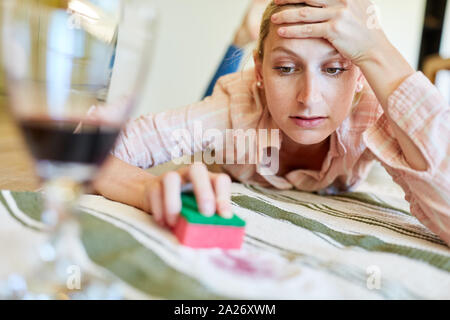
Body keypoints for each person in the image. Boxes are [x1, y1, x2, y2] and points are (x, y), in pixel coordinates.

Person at [93, 0, 450, 246]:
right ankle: (242, 37)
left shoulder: (372, 109)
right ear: (261, 69)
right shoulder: (236, 107)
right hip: (233, 124)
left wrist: (378, 50)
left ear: (359, 76)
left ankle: (253, 36)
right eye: (286, 68)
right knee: (215, 100)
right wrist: (145, 189)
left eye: (334, 68)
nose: (308, 98)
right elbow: (89, 147)